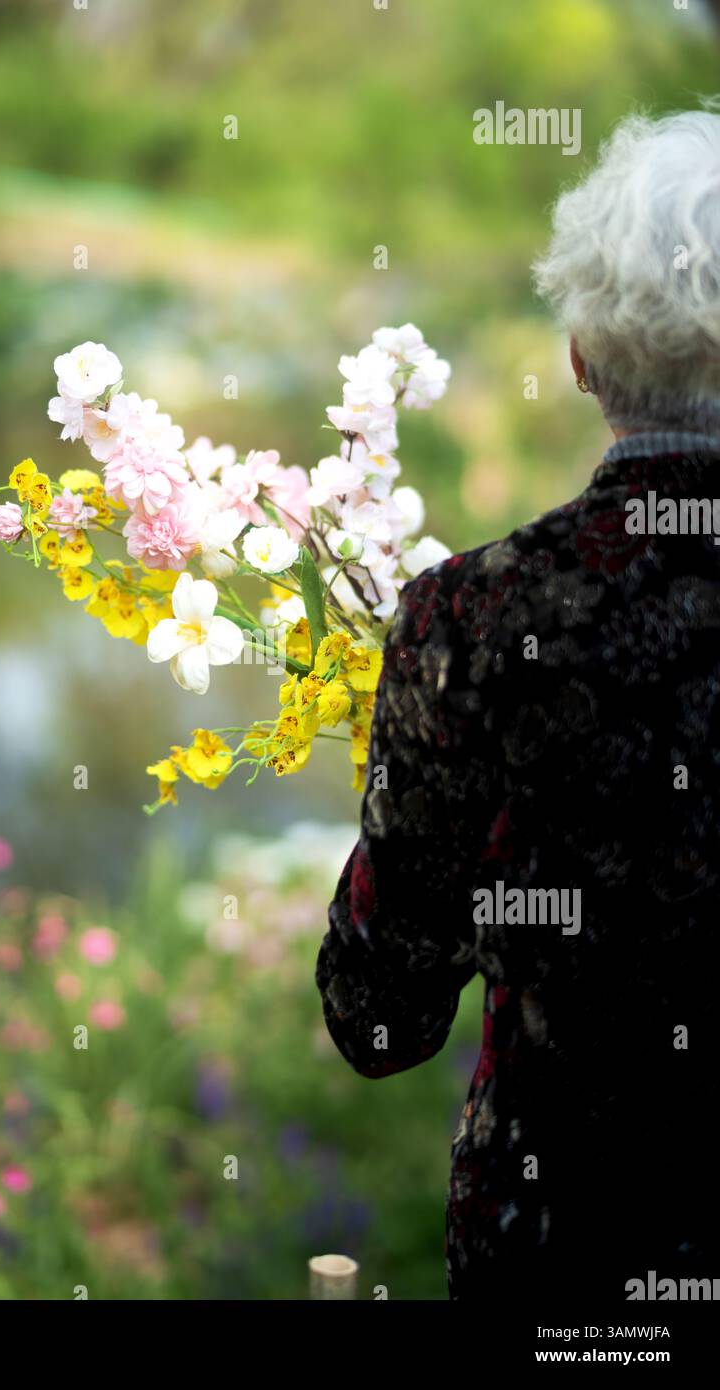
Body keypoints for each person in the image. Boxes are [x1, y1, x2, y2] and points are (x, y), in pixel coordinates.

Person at [316, 107, 720, 1301]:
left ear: (585, 357)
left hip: (564, 1261)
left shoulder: (469, 620)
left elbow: (378, 1019)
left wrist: (416, 759)